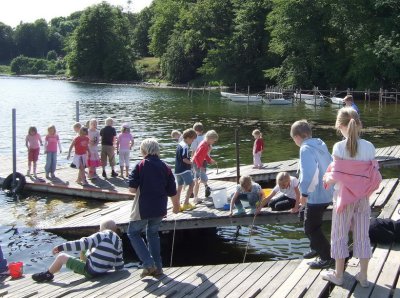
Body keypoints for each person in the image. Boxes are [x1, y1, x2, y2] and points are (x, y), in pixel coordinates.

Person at [321, 107, 382, 287]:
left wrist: (327, 177)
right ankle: (363, 276)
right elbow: (371, 175)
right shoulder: (369, 147)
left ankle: (339, 275)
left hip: (343, 197)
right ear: (359, 124)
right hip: (362, 198)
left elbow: (337, 176)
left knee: (339, 235)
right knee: (362, 235)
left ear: (340, 126)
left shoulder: (339, 147)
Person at [127, 138, 180, 278]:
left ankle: (149, 263)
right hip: (160, 208)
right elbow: (172, 191)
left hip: (143, 208)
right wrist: (176, 206)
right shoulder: (166, 167)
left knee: (133, 233)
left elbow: (132, 189)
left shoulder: (141, 165)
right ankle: (158, 267)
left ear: (144, 151)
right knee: (153, 234)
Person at [290, 119, 334, 269]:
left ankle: (326, 257)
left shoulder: (305, 148)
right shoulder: (320, 144)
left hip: (315, 194)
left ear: (297, 137)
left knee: (311, 228)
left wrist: (304, 193)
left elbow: (309, 173)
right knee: (305, 217)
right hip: (327, 192)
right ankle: (315, 247)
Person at [31, 219, 124, 282]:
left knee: (61, 257)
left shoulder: (101, 235)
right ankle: (79, 267)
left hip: (92, 271)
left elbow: (81, 243)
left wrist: (61, 247)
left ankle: (48, 274)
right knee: (86, 249)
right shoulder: (118, 241)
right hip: (105, 270)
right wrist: (119, 273)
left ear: (101, 229)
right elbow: (119, 262)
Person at [192, 130, 218, 202]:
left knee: (199, 179)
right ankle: (195, 198)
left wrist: (209, 160)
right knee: (199, 180)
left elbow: (205, 154)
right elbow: (196, 156)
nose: (213, 142)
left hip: (198, 163)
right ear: (210, 139)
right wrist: (200, 166)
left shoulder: (206, 144)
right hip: (196, 163)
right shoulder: (204, 145)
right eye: (213, 141)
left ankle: (196, 197)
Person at [175, 128, 197, 210]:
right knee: (192, 184)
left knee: (179, 187)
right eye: (192, 139)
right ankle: (186, 203)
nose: (193, 141)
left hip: (177, 170)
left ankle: (177, 205)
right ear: (188, 138)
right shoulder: (185, 146)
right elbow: (184, 159)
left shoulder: (180, 144)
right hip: (184, 170)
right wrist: (192, 162)